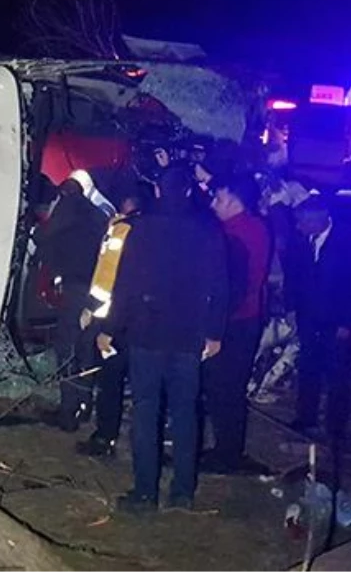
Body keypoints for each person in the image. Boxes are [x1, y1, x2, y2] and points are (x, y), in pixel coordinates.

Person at [95, 168, 229, 515]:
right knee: (185, 413)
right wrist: (214, 333)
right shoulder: (208, 230)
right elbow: (220, 286)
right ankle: (183, 491)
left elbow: (124, 285)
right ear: (188, 191)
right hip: (187, 336)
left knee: (146, 413)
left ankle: (145, 493)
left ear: (157, 190)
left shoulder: (143, 229)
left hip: (147, 334)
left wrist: (110, 327)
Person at [77, 181, 154, 457]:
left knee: (110, 381)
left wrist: (90, 308)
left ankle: (104, 437)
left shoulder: (120, 230)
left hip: (112, 319)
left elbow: (108, 275)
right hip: (142, 319)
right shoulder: (153, 230)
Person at [202, 173, 271, 473]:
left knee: (223, 389)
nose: (214, 204)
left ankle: (227, 453)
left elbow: (230, 286)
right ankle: (227, 449)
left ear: (234, 201)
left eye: (219, 198)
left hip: (233, 322)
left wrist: (213, 324)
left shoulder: (234, 235)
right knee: (229, 389)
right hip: (247, 318)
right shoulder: (256, 228)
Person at [33, 171, 108, 431]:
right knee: (87, 349)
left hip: (75, 289)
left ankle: (68, 413)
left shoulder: (67, 208)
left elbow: (43, 237)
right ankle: (85, 406)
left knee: (67, 349)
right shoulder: (100, 215)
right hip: (97, 292)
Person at [286, 195, 351, 442]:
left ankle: (335, 427)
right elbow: (294, 278)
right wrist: (292, 309)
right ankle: (306, 418)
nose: (298, 227)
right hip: (309, 318)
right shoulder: (301, 242)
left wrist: (347, 322)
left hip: (335, 321)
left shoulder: (347, 243)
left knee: (337, 375)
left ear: (318, 220)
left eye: (302, 222)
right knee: (308, 368)